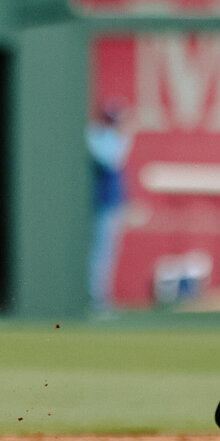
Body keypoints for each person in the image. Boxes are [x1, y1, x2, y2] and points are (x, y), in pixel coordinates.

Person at [86, 102, 131, 314]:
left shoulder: (111, 138)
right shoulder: (96, 137)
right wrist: (125, 133)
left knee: (107, 253)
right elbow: (112, 159)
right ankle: (95, 299)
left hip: (111, 204)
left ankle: (100, 298)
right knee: (98, 254)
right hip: (97, 204)